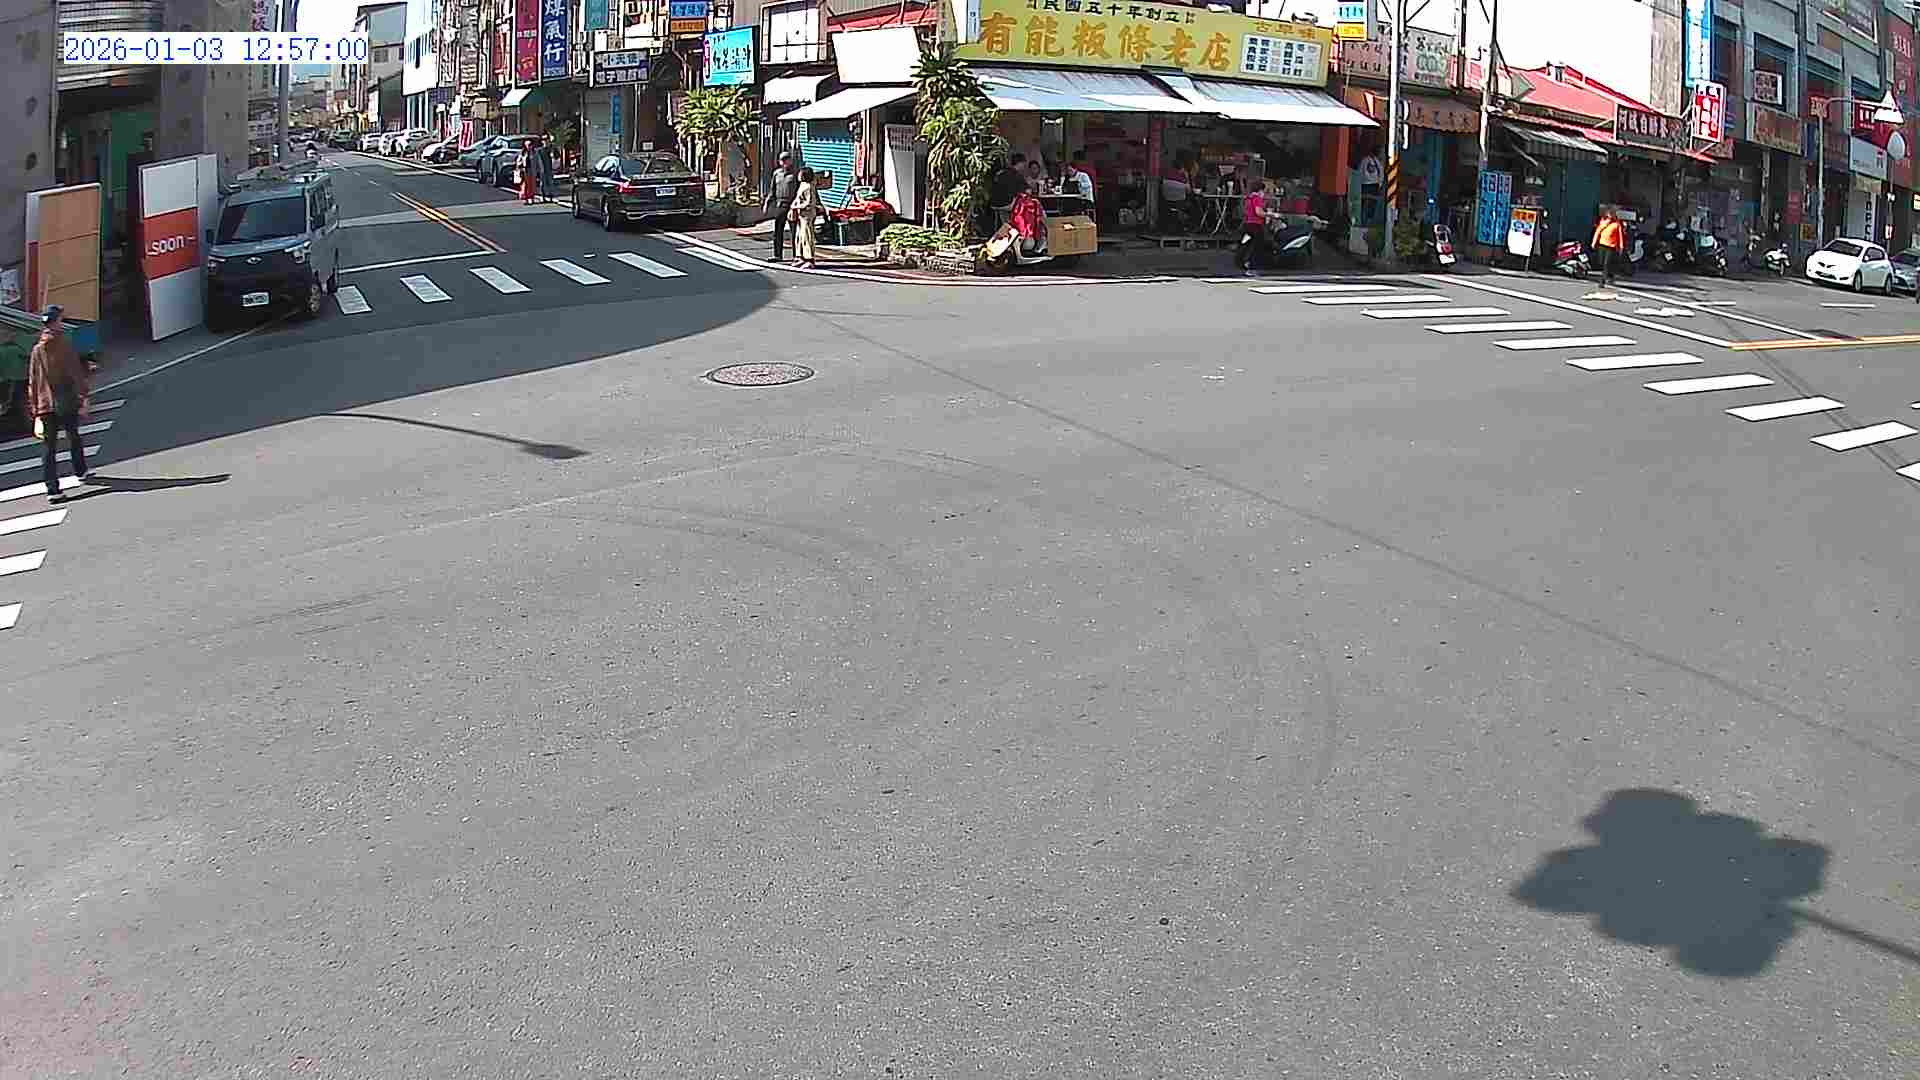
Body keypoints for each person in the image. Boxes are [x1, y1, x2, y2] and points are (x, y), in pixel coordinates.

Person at [27, 305, 92, 503]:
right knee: (73, 436)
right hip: (65, 399)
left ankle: (52, 490)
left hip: (45, 404)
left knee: (49, 447)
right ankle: (80, 471)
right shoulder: (62, 344)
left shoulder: (37, 349)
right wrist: (84, 396)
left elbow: (33, 381)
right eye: (60, 319)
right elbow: (74, 372)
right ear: (56, 322)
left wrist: (35, 409)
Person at [1238, 177, 1277, 275]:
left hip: (1247, 224)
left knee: (1246, 245)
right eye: (1264, 191)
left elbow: (1244, 211)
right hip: (1256, 225)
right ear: (1260, 190)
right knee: (1258, 246)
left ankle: (1242, 262)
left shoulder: (1248, 198)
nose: (1264, 193)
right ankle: (1252, 265)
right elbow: (1258, 212)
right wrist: (1270, 215)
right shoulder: (1257, 199)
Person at [765, 151, 800, 262]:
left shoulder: (796, 174)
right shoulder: (776, 174)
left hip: (792, 205)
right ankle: (777, 255)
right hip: (780, 205)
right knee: (778, 231)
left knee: (794, 232)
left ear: (790, 160)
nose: (785, 162)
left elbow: (800, 191)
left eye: (787, 159)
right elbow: (772, 190)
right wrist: (767, 202)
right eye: (782, 160)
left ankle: (796, 255)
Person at [789, 166, 820, 269]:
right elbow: (798, 198)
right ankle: (801, 257)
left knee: (807, 236)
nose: (798, 175)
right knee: (800, 236)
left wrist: (796, 206)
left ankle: (810, 259)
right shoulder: (802, 185)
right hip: (800, 214)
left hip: (807, 215)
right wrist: (794, 205)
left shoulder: (809, 187)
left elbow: (810, 203)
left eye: (801, 173)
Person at [1592, 204, 1625, 288]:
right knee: (1602, 263)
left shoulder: (1617, 224)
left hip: (1611, 247)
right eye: (1609, 214)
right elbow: (1597, 232)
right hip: (1602, 245)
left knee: (1606, 264)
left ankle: (1602, 281)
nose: (1610, 215)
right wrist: (1594, 242)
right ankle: (1610, 275)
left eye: (1612, 214)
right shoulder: (1603, 222)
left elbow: (1620, 236)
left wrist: (1621, 247)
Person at [517, 139, 538, 205]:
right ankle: (525, 197)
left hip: (532, 170)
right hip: (524, 170)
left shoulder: (534, 152)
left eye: (530, 145)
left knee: (532, 184)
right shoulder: (523, 153)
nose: (529, 146)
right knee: (525, 184)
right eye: (528, 145)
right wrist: (520, 165)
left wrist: (540, 169)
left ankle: (531, 197)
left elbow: (538, 161)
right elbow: (518, 161)